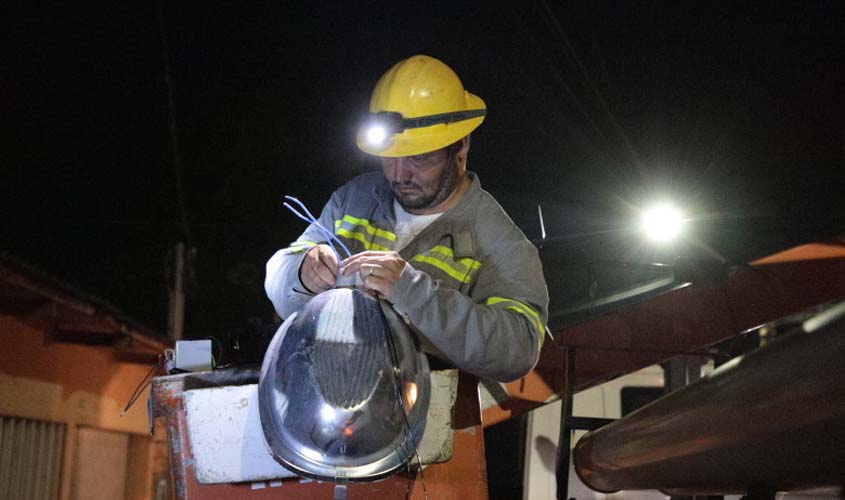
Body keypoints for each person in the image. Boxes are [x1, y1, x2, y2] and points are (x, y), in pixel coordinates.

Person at [265, 55, 548, 382]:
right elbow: (278, 273)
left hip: (423, 417)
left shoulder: (499, 241)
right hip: (325, 398)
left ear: (461, 146)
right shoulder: (355, 199)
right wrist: (300, 273)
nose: (398, 175)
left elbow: (518, 350)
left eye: (419, 158)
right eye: (389, 158)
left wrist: (414, 293)